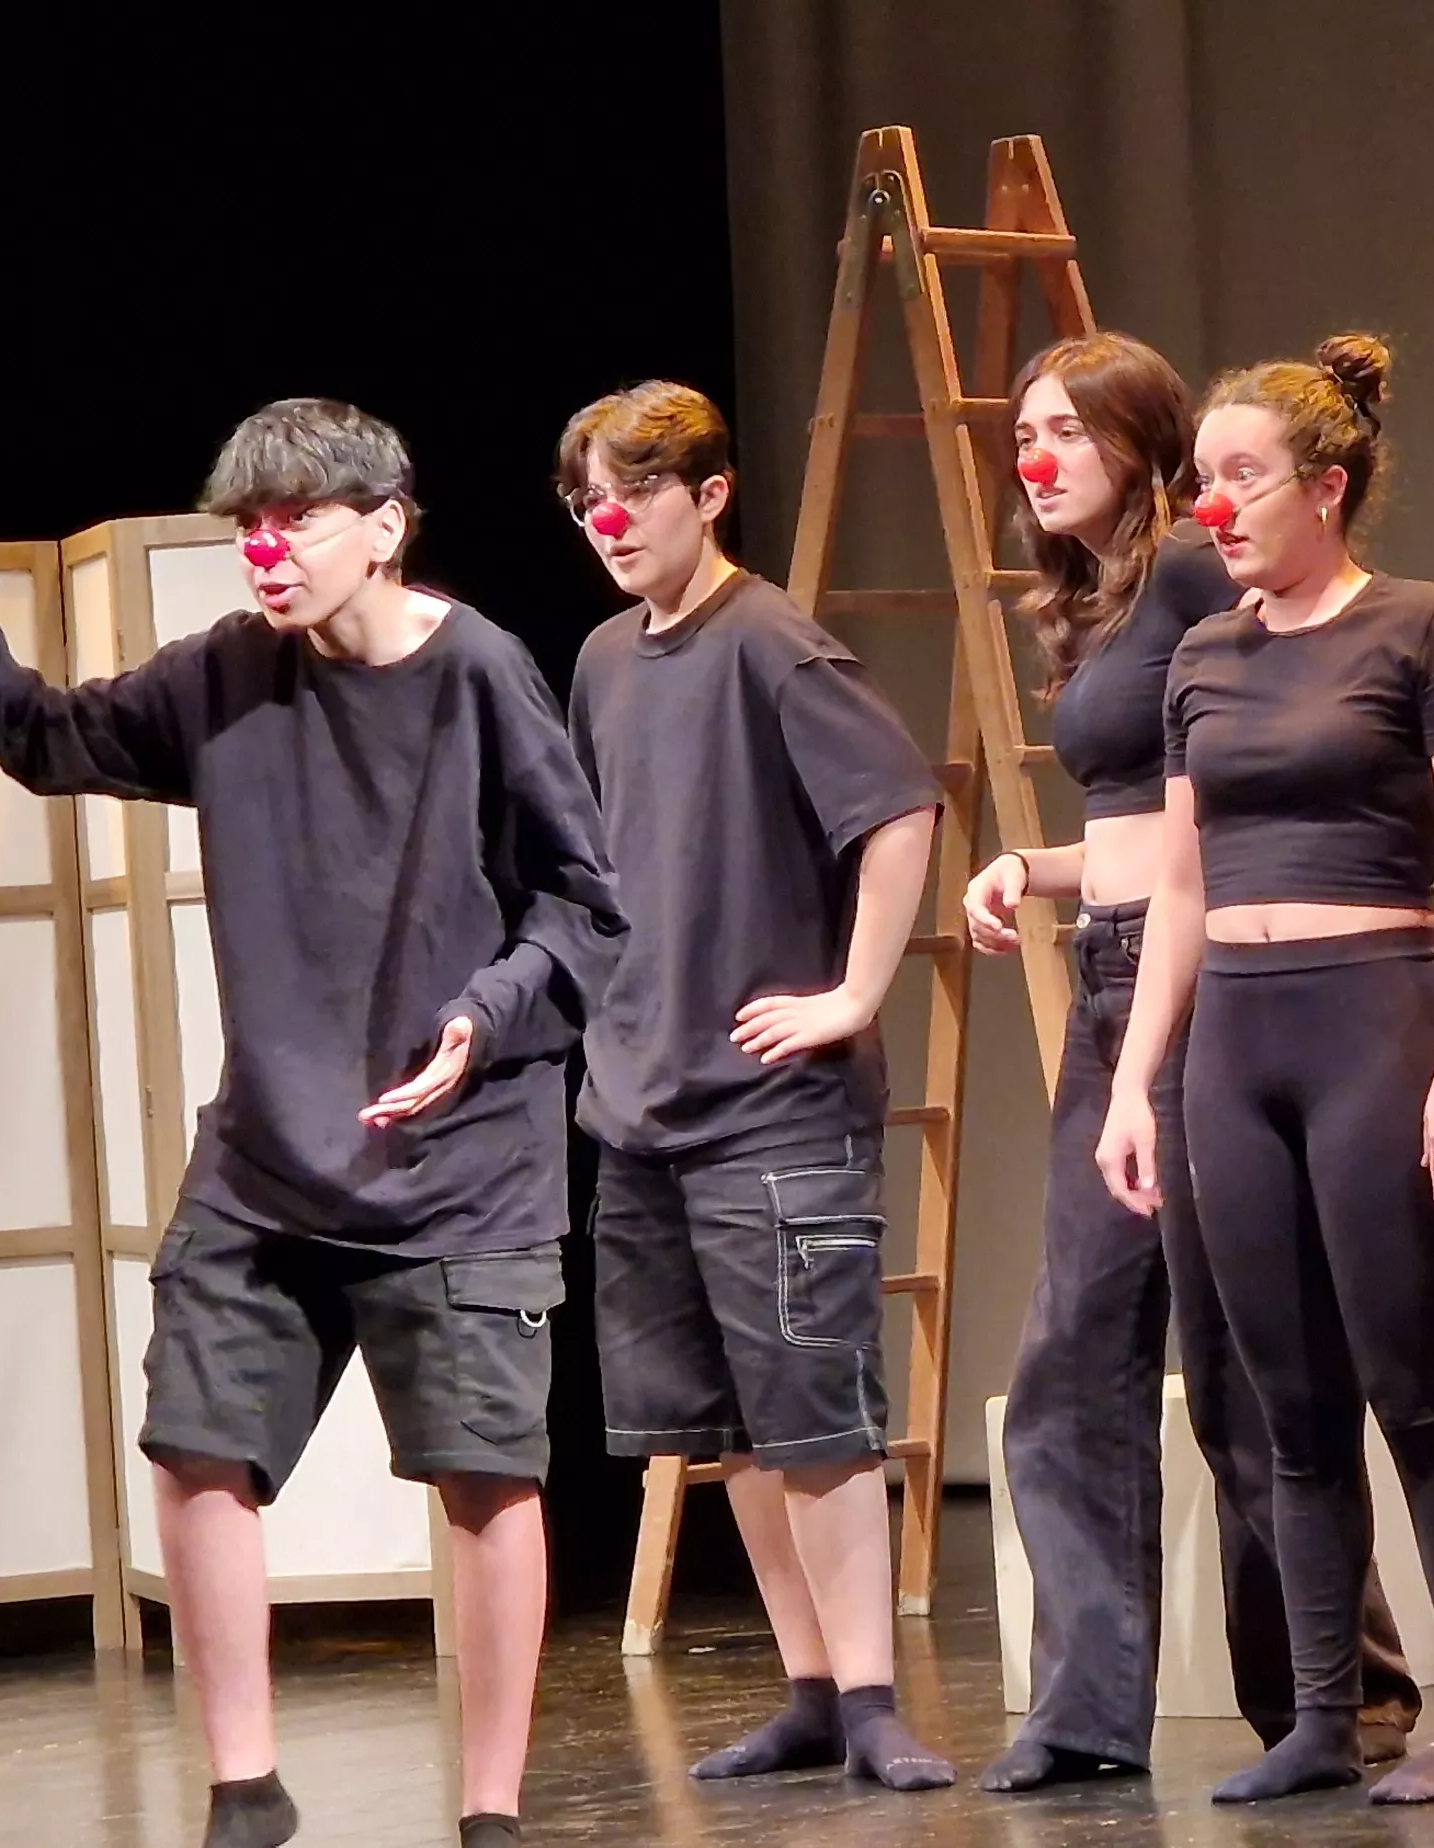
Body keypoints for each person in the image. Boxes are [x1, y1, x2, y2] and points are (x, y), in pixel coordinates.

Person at [0, 395, 613, 1848]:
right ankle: (244, 1789)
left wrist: (484, 1015)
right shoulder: (229, 676)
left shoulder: (484, 674)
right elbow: (46, 733)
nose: (262, 550)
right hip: (269, 1159)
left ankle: (492, 1811)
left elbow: (585, 905)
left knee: (488, 1479)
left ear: (383, 529)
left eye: (294, 521)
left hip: (459, 1165)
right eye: (244, 525)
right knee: (195, 1444)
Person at [962, 332, 1424, 1790]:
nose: (1035, 461)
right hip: (1115, 970)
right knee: (1076, 1360)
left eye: (1067, 434)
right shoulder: (1105, 597)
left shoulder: (1183, 569)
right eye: (1022, 434)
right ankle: (1088, 1711)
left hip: (1208, 986)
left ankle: (1335, 1695)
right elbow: (1148, 814)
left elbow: (1254, 771)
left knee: (1243, 1368)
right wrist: (1033, 869)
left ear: (1144, 446)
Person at [1095, 333, 1434, 1806]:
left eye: (1241, 478)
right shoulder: (1204, 656)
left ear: (1324, 486)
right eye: (1202, 481)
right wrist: (1136, 1084)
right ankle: (1328, 1717)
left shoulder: (1423, 627)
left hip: (1378, 1020)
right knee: (1289, 1406)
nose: (1213, 507)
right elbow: (1185, 890)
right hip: (1239, 1042)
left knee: (1412, 1390)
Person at [554, 381, 953, 1793]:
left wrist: (852, 992)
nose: (610, 525)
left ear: (710, 494)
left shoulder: (772, 643)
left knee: (817, 1415)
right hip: (645, 1103)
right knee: (727, 1429)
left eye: (637, 494)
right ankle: (805, 1690)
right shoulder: (606, 659)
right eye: (588, 501)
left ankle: (872, 1701)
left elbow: (900, 807)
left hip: (775, 1114)